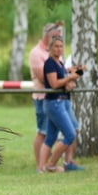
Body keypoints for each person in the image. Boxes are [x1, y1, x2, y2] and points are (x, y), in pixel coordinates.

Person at [38, 36, 84, 173]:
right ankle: (51, 165)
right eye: (56, 46)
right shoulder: (50, 63)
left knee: (51, 137)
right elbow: (54, 84)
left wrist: (71, 82)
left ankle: (41, 168)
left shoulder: (60, 63)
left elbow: (63, 81)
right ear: (50, 48)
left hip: (62, 102)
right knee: (70, 134)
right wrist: (69, 78)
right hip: (54, 103)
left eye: (61, 46)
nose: (59, 49)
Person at [28, 22, 64, 171]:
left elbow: (60, 73)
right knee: (42, 132)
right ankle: (40, 166)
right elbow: (45, 79)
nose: (59, 40)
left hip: (55, 98)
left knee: (51, 133)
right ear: (48, 36)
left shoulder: (53, 53)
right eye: (56, 37)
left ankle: (47, 165)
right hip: (42, 98)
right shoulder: (36, 53)